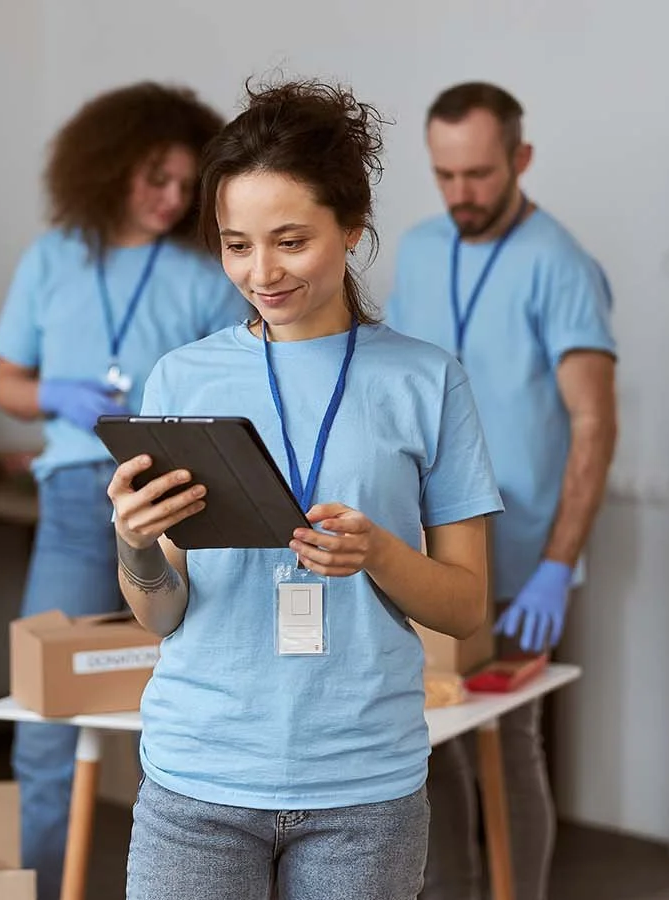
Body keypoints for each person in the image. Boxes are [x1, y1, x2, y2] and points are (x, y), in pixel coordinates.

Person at [107, 78, 503, 900]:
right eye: (236, 244)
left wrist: (380, 553)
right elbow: (163, 611)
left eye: (290, 241)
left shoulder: (427, 380)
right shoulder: (182, 377)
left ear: (353, 229)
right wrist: (136, 545)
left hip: (364, 788)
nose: (261, 272)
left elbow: (467, 609)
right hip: (197, 777)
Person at [0, 81, 245, 900]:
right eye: (154, 180)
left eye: (184, 184)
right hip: (70, 503)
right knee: (42, 715)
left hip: (170, 502)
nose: (172, 200)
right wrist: (55, 395)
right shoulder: (53, 257)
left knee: (171, 713)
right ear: (108, 170)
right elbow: (6, 384)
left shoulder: (205, 271)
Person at [386, 82, 618, 900]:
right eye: (445, 176)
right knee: (434, 742)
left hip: (522, 561)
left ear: (520, 159)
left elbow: (593, 423)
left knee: (508, 744)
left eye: (479, 174)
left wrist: (559, 567)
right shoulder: (417, 249)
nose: (461, 196)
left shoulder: (559, 263)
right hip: (432, 551)